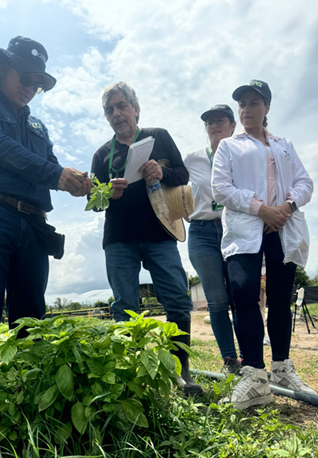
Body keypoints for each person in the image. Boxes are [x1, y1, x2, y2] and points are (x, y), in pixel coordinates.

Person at [0, 36, 91, 352]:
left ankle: (27, 400)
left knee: (32, 326)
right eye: (26, 77)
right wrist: (56, 174)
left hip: (34, 224)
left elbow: (50, 166)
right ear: (3, 68)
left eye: (37, 84)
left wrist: (78, 182)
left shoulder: (37, 124)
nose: (30, 89)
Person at [91, 82, 202, 394]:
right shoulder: (102, 154)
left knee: (178, 301)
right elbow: (94, 202)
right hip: (118, 239)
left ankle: (182, 373)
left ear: (135, 109)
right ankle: (132, 376)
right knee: (125, 307)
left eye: (121, 106)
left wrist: (162, 172)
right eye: (109, 110)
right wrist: (105, 192)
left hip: (161, 233)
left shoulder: (159, 137)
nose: (116, 113)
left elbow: (183, 175)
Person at [212, 79, 316, 409]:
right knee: (243, 294)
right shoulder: (229, 146)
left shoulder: (284, 145)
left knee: (280, 297)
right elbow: (220, 189)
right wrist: (262, 209)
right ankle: (255, 375)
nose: (246, 109)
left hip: (282, 227)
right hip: (246, 229)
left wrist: (286, 207)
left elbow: (305, 182)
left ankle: (282, 369)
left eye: (254, 102)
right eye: (242, 103)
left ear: (267, 108)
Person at [184, 105, 241, 374]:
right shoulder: (192, 159)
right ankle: (230, 360)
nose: (214, 125)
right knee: (217, 300)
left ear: (233, 126)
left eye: (220, 120)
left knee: (241, 296)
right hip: (202, 232)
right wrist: (176, 211)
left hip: (235, 229)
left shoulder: (243, 155)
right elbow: (170, 182)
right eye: (209, 123)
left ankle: (251, 359)